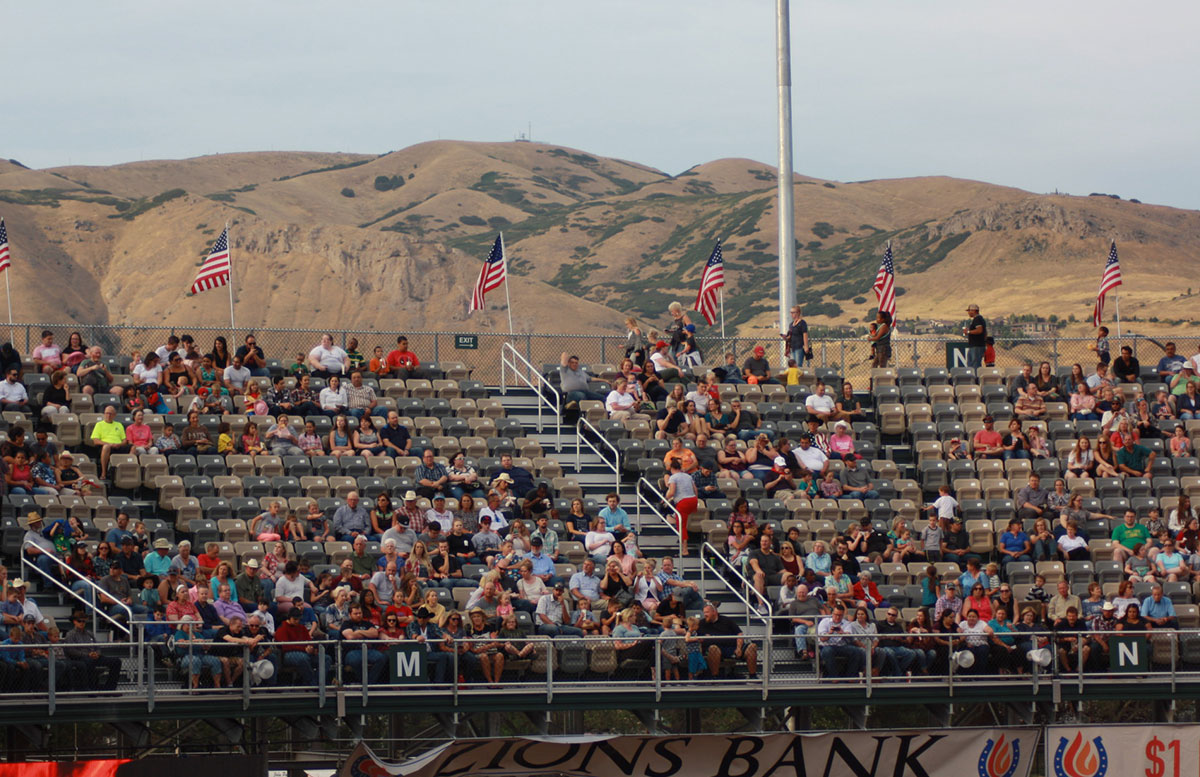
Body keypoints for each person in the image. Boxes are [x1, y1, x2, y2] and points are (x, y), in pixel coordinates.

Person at [697, 603, 758, 678]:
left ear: (714, 612)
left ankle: (753, 676)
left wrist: (738, 648)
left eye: (707, 612)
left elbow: (739, 633)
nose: (705, 614)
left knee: (752, 647)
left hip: (732, 647)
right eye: (704, 612)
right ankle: (714, 677)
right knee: (713, 649)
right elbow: (693, 634)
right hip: (715, 650)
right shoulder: (701, 623)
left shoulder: (726, 620)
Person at [663, 458, 695, 555]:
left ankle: (684, 549)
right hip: (693, 500)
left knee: (682, 526)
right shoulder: (688, 476)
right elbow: (695, 490)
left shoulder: (673, 477)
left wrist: (664, 499)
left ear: (671, 468)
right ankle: (671, 517)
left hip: (683, 502)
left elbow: (671, 492)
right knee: (678, 520)